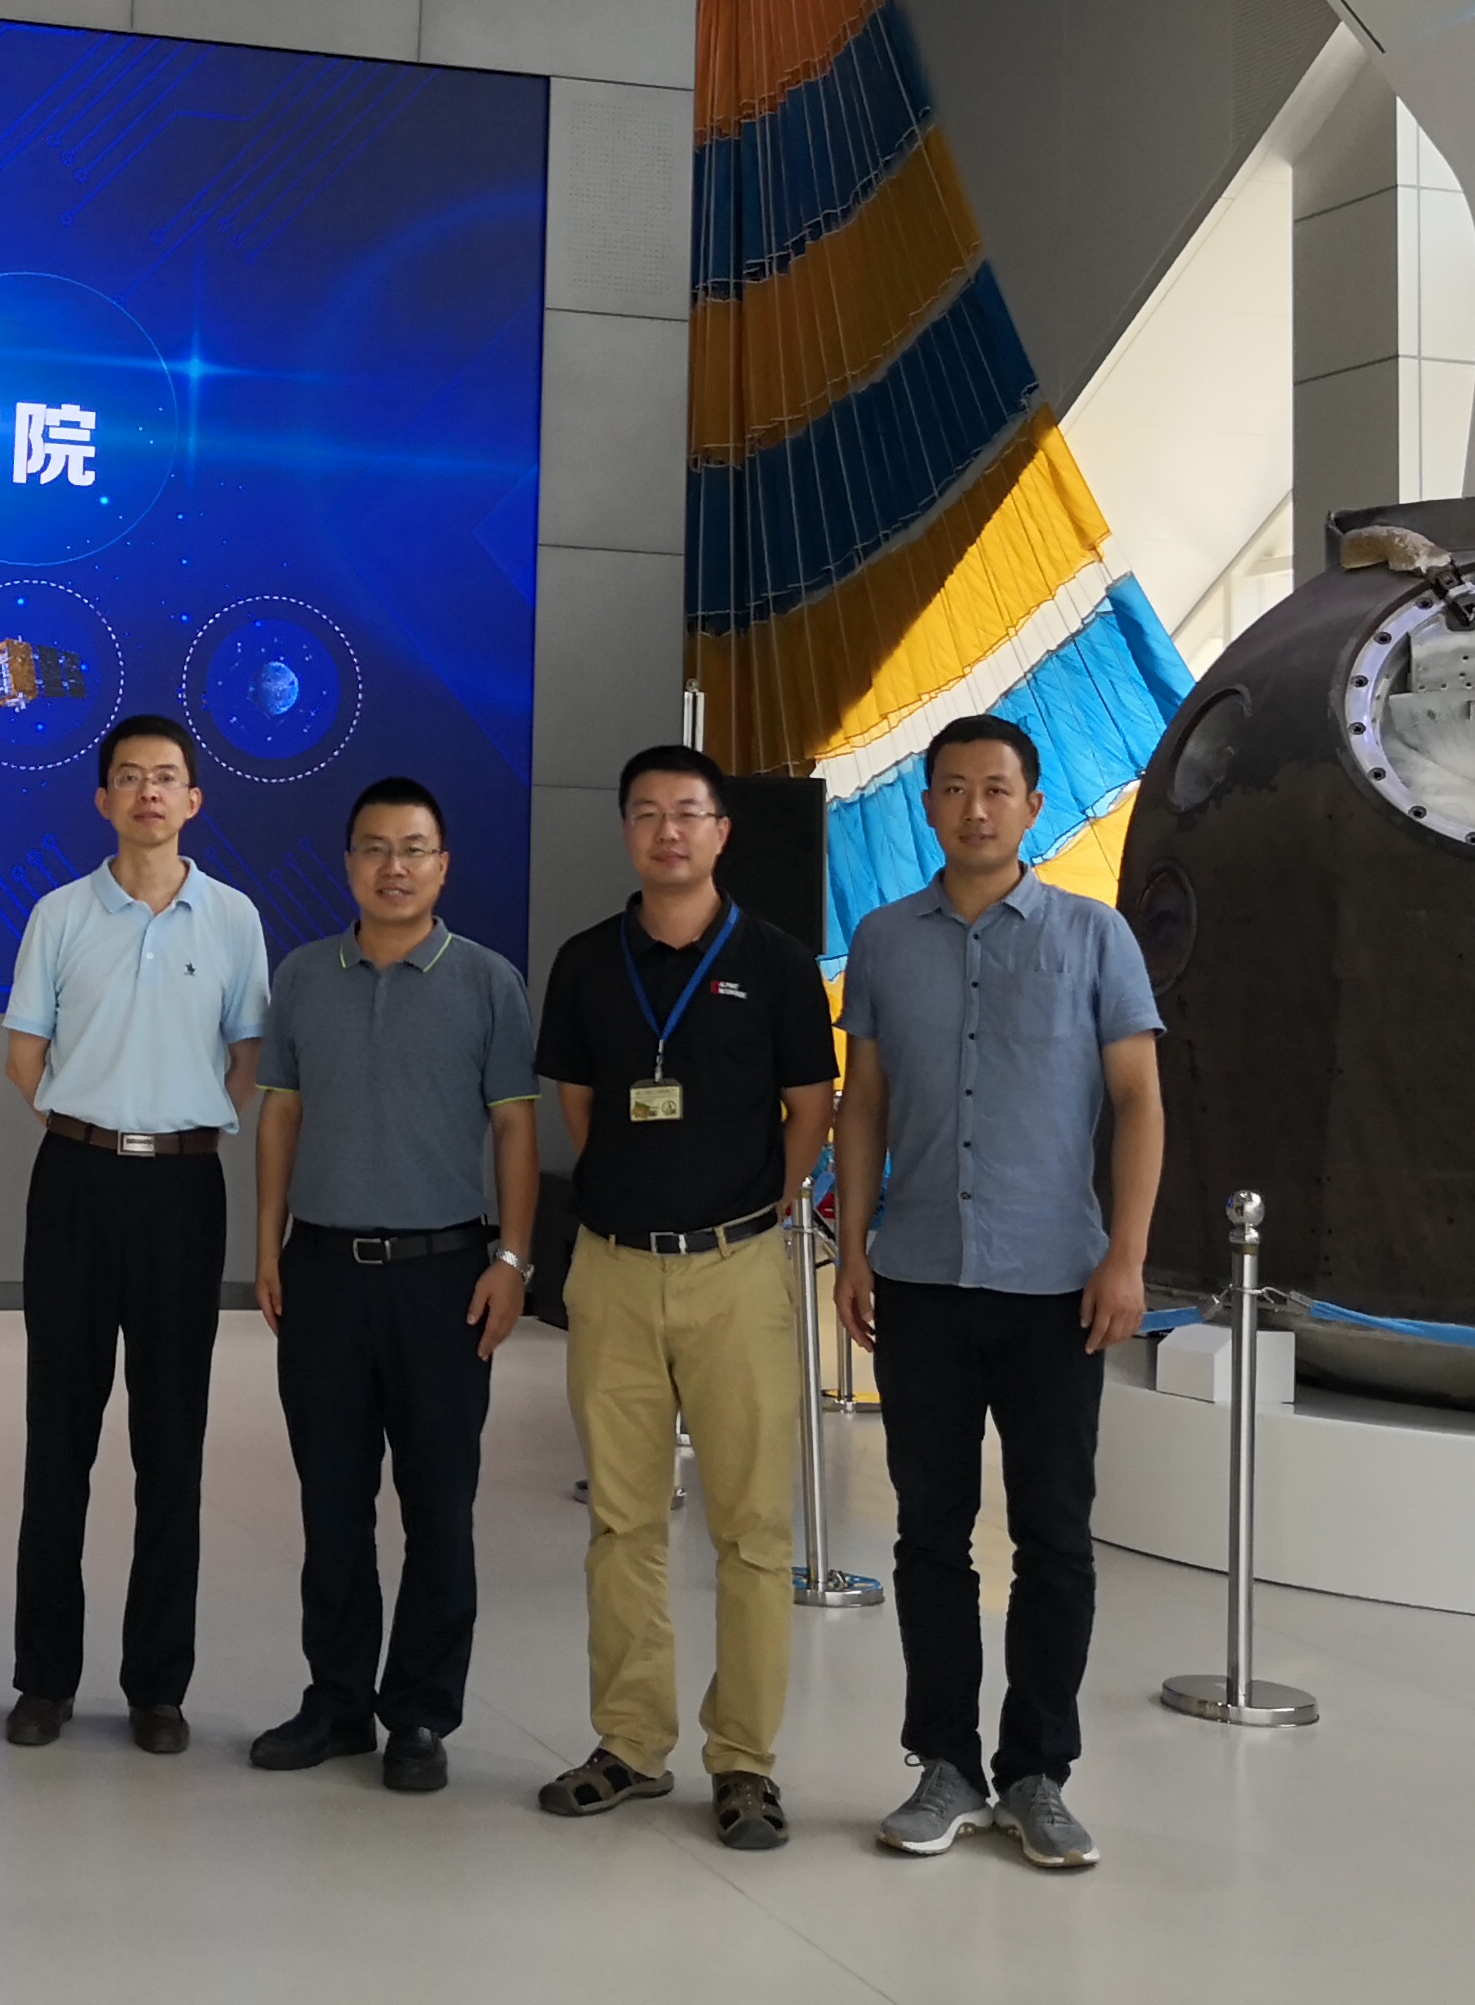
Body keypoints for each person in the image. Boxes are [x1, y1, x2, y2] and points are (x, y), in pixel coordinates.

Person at [834, 713, 1164, 1873]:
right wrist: (853, 1246)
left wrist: (1125, 1256)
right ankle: (943, 1764)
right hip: (919, 1278)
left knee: (1052, 1538)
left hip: (1054, 1285)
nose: (973, 808)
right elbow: (862, 1104)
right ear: (926, 804)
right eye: (952, 788)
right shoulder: (881, 940)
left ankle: (1036, 1774)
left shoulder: (1093, 936)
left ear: (1031, 805)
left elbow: (1138, 1101)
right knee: (927, 1534)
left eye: (995, 788)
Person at [530, 743, 838, 1851]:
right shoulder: (585, 961)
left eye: (689, 813)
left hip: (736, 1271)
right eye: (648, 813)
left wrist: (753, 1206)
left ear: (721, 833)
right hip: (614, 1269)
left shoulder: (776, 961)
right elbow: (577, 1105)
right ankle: (629, 1743)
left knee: (751, 1528)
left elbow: (811, 1107)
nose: (668, 831)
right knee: (622, 1522)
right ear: (626, 831)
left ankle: (744, 1761)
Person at [247, 777, 540, 1795]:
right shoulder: (301, 977)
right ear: (348, 864)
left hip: (445, 1279)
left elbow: (515, 1127)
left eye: (413, 848)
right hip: (323, 1273)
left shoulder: (489, 982)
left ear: (443, 865)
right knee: (331, 1502)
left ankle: (418, 1712)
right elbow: (279, 1115)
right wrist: (268, 1246)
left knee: (438, 1506)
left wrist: (512, 1260)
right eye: (374, 848)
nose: (394, 866)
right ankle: (334, 1703)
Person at [0, 714, 275, 1756]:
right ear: (103, 799)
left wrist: (172, 1124)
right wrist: (95, 1124)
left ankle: (157, 1688)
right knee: (58, 1442)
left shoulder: (234, 918)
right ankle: (43, 1679)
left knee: (171, 1444)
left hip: (183, 1192)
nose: (148, 793)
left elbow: (247, 1058)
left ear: (194, 800)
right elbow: (24, 1058)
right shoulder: (60, 913)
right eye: (128, 777)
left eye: (166, 778)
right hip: (74, 1184)